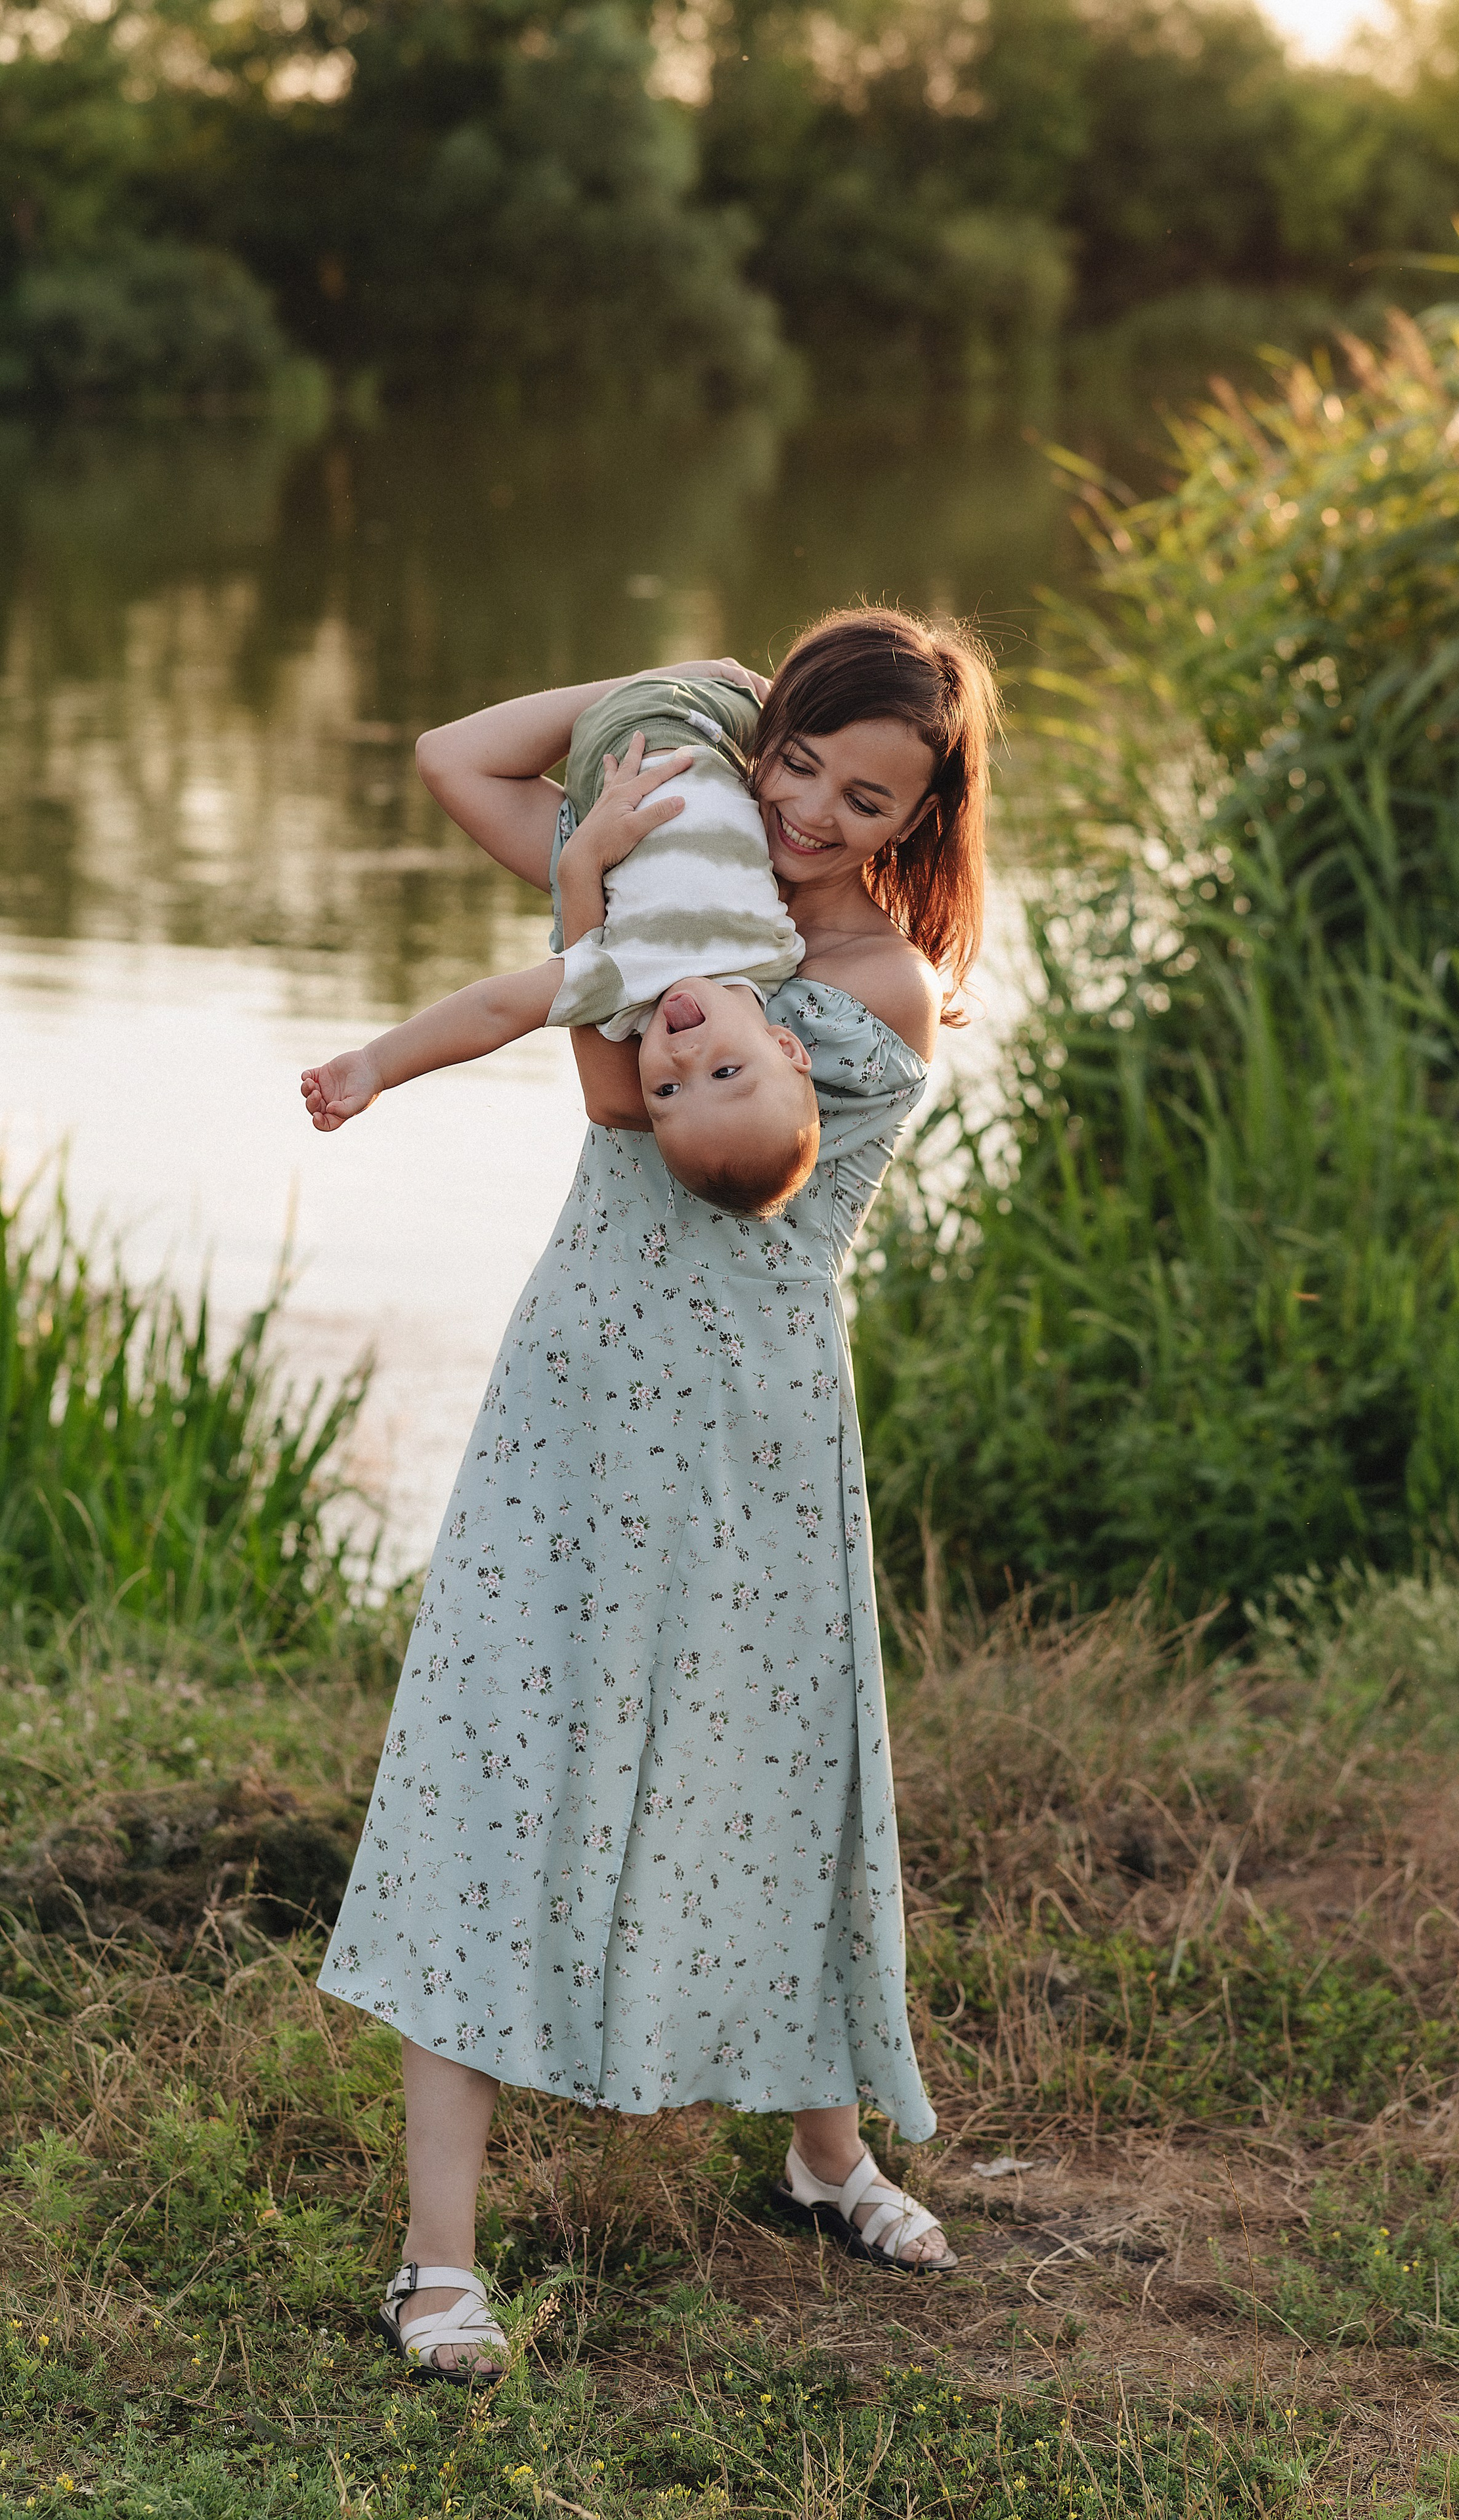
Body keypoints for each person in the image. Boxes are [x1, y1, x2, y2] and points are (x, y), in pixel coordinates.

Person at [315, 607, 997, 2382]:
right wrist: (672, 696)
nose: (814, 812)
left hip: (757, 1427)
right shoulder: (687, 859)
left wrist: (590, 897)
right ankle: (437, 2258)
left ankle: (824, 2146)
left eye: (866, 796)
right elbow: (455, 751)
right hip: (582, 1393)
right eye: (795, 760)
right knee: (495, 1758)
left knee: (784, 1770)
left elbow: (641, 1114)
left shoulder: (873, 985)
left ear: (918, 821)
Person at [300, 670, 820, 1219]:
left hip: (628, 737)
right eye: (725, 1073)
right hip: (732, 733)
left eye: (666, 1091)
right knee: (813, 711)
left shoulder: (619, 984)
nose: (686, 1058)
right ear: (785, 1046)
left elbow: (494, 1010)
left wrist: (376, 1065)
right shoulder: (780, 957)